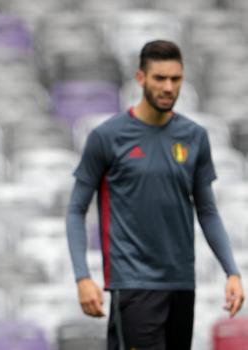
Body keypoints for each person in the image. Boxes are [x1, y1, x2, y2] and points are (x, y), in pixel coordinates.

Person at [66, 40, 244, 349]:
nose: (168, 87)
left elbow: (207, 210)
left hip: (181, 284)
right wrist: (83, 276)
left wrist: (232, 271)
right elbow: (75, 209)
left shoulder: (194, 137)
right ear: (140, 79)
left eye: (175, 79)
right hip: (133, 285)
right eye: (159, 78)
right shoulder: (108, 137)